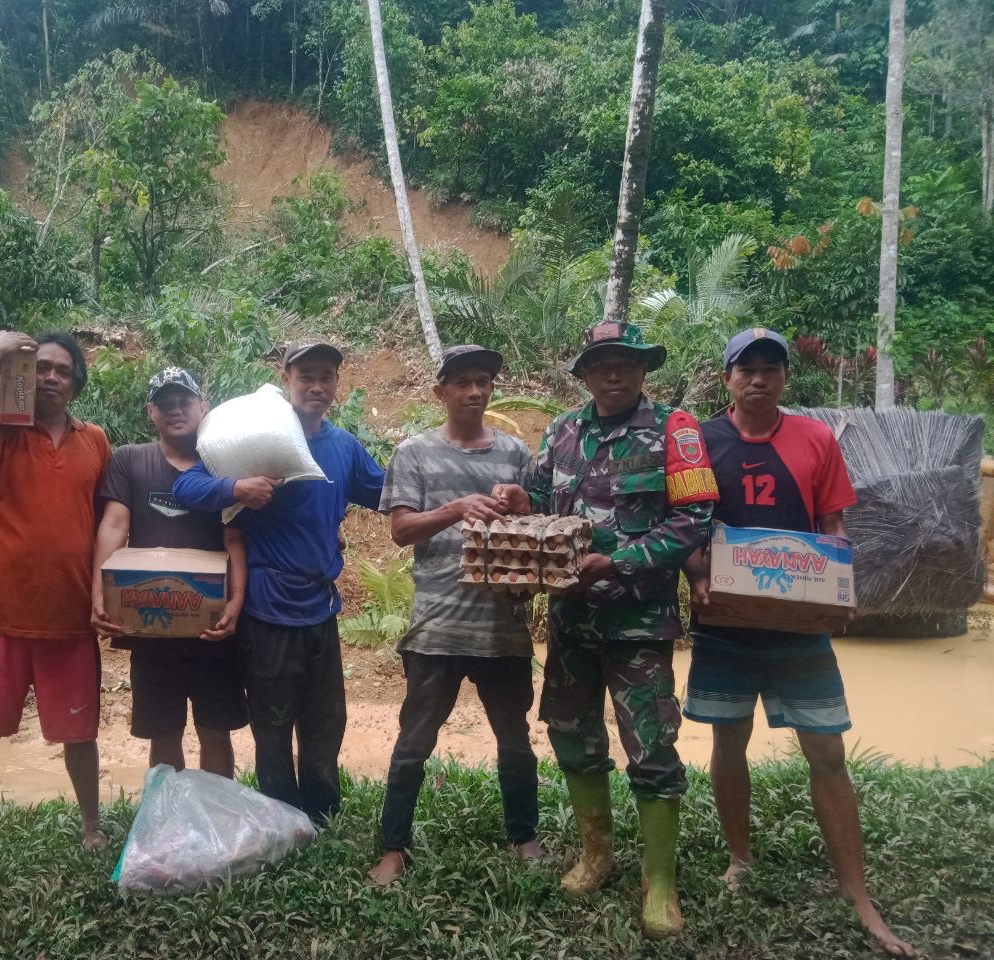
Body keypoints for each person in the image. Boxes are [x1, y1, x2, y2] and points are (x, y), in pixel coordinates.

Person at [682, 328, 914, 958]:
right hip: (724, 626)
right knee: (729, 742)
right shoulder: (699, 442)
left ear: (785, 378)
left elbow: (833, 525)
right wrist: (698, 574)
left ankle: (856, 892)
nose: (758, 379)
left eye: (770, 369)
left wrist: (843, 589)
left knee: (827, 753)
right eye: (746, 368)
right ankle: (739, 859)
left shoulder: (815, 439)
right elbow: (688, 525)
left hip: (799, 628)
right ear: (726, 376)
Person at [513, 320, 718, 938]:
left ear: (643, 369)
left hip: (638, 624)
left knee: (652, 748)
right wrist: (518, 510)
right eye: (600, 363)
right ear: (583, 373)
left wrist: (621, 560)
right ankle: (596, 856)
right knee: (574, 737)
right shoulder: (561, 432)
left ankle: (661, 885)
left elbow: (695, 520)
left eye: (625, 362)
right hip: (572, 621)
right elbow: (542, 511)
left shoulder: (674, 431)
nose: (613, 373)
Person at [172, 340, 385, 823]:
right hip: (266, 608)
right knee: (272, 722)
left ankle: (323, 814)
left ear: (336, 384)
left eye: (326, 376)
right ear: (284, 378)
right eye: (306, 375)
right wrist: (235, 487)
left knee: (326, 719)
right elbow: (186, 486)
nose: (317, 386)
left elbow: (387, 493)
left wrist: (451, 494)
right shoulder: (256, 437)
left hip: (321, 605)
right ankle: (281, 818)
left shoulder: (344, 447)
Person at [367, 345, 543, 886]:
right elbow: (400, 531)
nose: (475, 391)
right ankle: (392, 848)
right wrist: (455, 508)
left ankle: (525, 836)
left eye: (484, 381)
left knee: (515, 740)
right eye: (462, 382)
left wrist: (524, 503)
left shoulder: (516, 452)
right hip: (436, 625)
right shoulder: (414, 453)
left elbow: (535, 529)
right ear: (439, 391)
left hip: (503, 629)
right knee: (414, 742)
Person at [0, 330, 112, 864]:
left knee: (80, 734)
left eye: (63, 370)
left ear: (76, 382)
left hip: (70, 617)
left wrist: (109, 594)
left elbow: (111, 522)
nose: (51, 377)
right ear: (21, 375)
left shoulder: (96, 441)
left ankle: (92, 827)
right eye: (40, 367)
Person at [89, 367, 248, 778]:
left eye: (184, 401)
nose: (175, 410)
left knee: (215, 730)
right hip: (151, 625)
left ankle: (216, 819)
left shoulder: (223, 464)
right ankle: (168, 821)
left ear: (202, 406)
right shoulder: (130, 460)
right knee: (164, 732)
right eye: (165, 403)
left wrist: (235, 600)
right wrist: (99, 592)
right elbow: (114, 524)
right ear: (151, 411)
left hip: (212, 627)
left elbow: (235, 537)